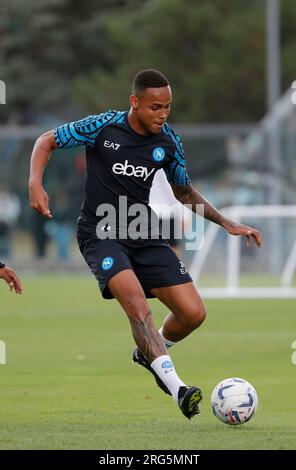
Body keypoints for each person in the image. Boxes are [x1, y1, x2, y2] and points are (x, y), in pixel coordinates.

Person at [28, 69, 262, 420]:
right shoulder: (102, 127)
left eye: (167, 107)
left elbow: (183, 191)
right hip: (100, 233)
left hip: (143, 233)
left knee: (193, 313)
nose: (162, 114)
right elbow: (46, 140)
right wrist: (35, 182)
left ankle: (151, 353)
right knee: (137, 306)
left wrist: (226, 222)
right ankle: (179, 388)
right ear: (134, 102)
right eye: (155, 107)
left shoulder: (168, 142)